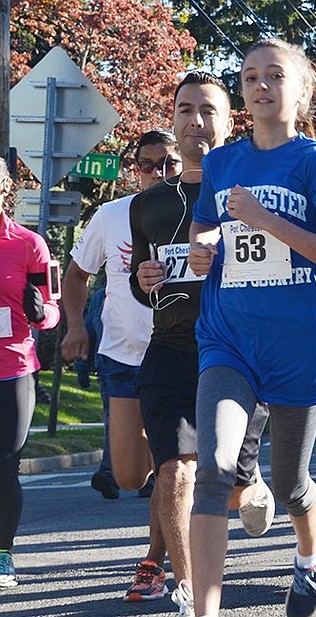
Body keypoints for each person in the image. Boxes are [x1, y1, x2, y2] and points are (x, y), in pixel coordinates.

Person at [187, 40, 316, 617]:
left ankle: (314, 550)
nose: (260, 85)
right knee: (214, 469)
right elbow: (206, 232)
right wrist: (201, 249)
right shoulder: (221, 163)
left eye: (274, 75)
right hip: (229, 335)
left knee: (290, 484)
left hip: (299, 340)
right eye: (249, 76)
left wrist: (267, 220)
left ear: (301, 90)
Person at [131, 72, 276, 617]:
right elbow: (141, 286)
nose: (196, 120)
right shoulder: (149, 205)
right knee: (176, 468)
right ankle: (192, 592)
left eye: (208, 110)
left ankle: (250, 479)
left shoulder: (250, 189)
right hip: (169, 349)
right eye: (186, 110)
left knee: (229, 481)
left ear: (228, 119)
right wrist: (143, 279)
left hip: (236, 350)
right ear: (173, 120)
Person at [62, 129, 179, 601]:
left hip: (177, 354)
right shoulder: (111, 216)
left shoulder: (199, 213)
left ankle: (154, 562)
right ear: (136, 169)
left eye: (168, 163)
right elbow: (75, 275)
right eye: (149, 165)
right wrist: (75, 326)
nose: (159, 173)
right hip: (122, 356)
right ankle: (170, 489)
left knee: (172, 469)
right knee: (132, 474)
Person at [0, 159, 60, 588]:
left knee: (4, 467)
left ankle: (3, 556)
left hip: (12, 370)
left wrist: (42, 313)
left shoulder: (28, 244)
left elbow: (51, 312)